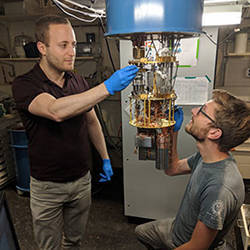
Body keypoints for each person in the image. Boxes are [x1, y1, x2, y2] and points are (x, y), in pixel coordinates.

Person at [12, 15, 138, 250]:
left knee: (73, 241)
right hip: (48, 186)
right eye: (63, 46)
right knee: (48, 247)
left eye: (73, 45)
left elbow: (91, 121)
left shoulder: (77, 81)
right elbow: (54, 110)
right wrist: (106, 87)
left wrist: (106, 158)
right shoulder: (26, 84)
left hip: (81, 181)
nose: (72, 52)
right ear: (42, 48)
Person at [135, 89, 250, 249]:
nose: (194, 111)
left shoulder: (220, 188)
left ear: (214, 132)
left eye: (202, 111)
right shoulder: (206, 157)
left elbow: (196, 247)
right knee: (140, 231)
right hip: (177, 229)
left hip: (186, 244)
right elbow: (172, 169)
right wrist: (172, 131)